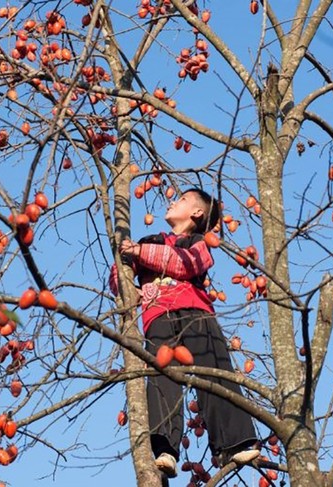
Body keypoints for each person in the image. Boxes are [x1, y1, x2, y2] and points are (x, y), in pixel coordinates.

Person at [110, 188, 259, 479]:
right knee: (162, 377)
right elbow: (119, 277)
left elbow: (185, 264)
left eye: (180, 200)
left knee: (214, 372)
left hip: (196, 312)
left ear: (197, 213)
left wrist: (138, 253)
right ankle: (165, 449)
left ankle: (234, 442)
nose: (171, 201)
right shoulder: (149, 241)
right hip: (158, 316)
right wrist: (132, 288)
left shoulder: (199, 243)